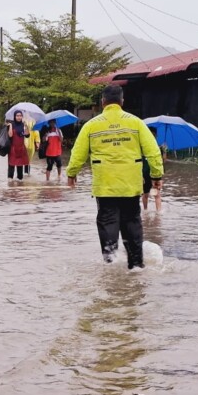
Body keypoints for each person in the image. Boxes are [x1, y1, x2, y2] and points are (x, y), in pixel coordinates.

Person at [66, 84, 163, 269]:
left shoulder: (91, 125)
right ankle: (136, 266)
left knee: (108, 223)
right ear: (122, 101)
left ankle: (110, 266)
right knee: (132, 223)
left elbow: (78, 154)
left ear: (103, 102)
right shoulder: (136, 123)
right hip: (130, 186)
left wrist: (72, 173)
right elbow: (153, 152)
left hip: (105, 186)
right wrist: (156, 175)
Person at [142, 134, 166, 212]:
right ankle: (145, 211)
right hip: (145, 175)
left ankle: (158, 213)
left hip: (155, 176)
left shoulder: (159, 148)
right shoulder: (143, 148)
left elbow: (163, 161)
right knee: (146, 194)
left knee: (156, 194)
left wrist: (164, 151)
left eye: (154, 136)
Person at [6, 110, 30, 180]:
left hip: (21, 148)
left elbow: (27, 135)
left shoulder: (23, 125)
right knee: (11, 166)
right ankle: (10, 183)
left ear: (22, 116)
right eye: (17, 116)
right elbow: (10, 135)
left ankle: (19, 183)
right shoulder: (11, 124)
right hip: (13, 148)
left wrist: (26, 126)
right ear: (14, 116)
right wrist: (10, 126)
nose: (19, 117)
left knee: (20, 167)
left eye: (20, 116)